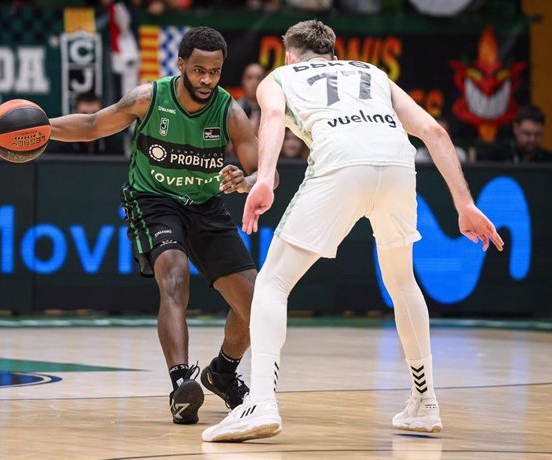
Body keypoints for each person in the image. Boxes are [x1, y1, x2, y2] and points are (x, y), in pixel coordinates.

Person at [202, 19, 504, 442]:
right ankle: (425, 400)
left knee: (272, 282)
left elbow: (271, 117)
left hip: (341, 161)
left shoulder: (280, 76)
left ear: (291, 54)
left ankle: (262, 401)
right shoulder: (372, 72)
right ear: (334, 53)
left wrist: (266, 176)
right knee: (402, 283)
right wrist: (465, 203)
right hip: (399, 163)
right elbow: (434, 131)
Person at [0, 26, 275, 425]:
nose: (207, 79)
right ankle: (181, 385)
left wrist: (246, 181)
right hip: (154, 202)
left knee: (257, 305)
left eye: (214, 71)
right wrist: (41, 129)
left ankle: (224, 372)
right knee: (174, 278)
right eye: (198, 70)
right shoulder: (148, 98)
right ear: (180, 66)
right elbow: (91, 125)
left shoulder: (229, 112)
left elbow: (267, 172)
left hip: (207, 207)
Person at [479, 104, 552, 163]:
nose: (532, 139)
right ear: (515, 128)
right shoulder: (494, 157)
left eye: (537, 134)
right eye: (527, 134)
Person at [48, 92, 125, 155]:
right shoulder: (61, 146)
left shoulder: (114, 145)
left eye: (94, 114)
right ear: (74, 116)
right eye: (84, 115)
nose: (89, 123)